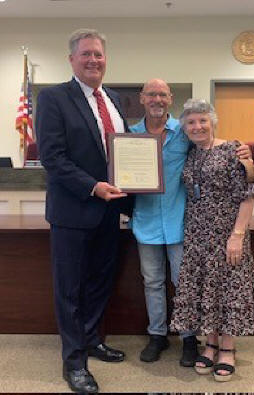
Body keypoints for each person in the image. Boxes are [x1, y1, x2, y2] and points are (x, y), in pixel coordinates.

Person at [130, 79, 251, 367]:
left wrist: (247, 157)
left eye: (162, 94)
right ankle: (158, 336)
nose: (157, 99)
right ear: (142, 98)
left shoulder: (184, 134)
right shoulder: (129, 135)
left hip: (181, 222)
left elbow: (251, 179)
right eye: (151, 94)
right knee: (153, 283)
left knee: (185, 283)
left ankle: (189, 339)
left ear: (170, 98)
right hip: (149, 220)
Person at [36, 29, 130, 393]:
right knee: (70, 288)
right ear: (72, 59)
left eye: (99, 55)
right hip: (73, 211)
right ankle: (74, 361)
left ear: (106, 59)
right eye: (86, 54)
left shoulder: (116, 99)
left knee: (100, 281)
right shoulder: (54, 98)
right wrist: (93, 186)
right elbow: (52, 158)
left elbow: (121, 151)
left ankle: (91, 339)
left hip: (110, 211)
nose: (94, 60)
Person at [170, 99, 254, 382]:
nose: (197, 126)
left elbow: (249, 194)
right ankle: (210, 344)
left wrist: (237, 235)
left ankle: (227, 348)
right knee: (206, 290)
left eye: (202, 120)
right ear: (184, 128)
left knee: (228, 289)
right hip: (198, 234)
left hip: (227, 235)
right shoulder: (191, 153)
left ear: (212, 122)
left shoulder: (233, 150)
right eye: (191, 122)